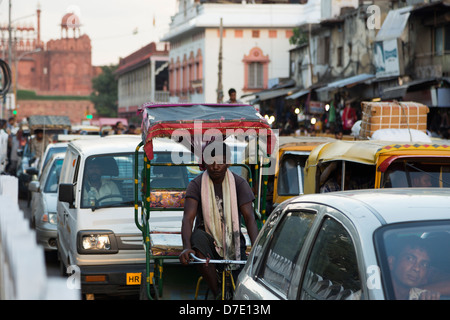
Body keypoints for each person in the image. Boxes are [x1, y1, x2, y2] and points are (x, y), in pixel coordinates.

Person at [179, 141, 258, 298]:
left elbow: (250, 218)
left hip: (233, 241)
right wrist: (186, 247)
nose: (215, 166)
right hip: (206, 240)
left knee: (239, 289)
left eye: (220, 162)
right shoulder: (196, 184)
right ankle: (218, 294)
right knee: (197, 237)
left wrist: (257, 249)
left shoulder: (239, 183)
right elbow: (188, 219)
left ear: (228, 162)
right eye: (211, 161)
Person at [387, 235, 440, 300]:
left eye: (424, 264)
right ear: (391, 262)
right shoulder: (374, 291)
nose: (417, 268)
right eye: (410, 259)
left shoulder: (424, 296)